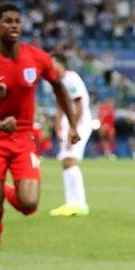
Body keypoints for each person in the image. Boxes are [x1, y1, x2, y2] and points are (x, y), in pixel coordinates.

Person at [0, 2, 79, 270]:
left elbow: (59, 88)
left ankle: (2, 187)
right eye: (7, 21)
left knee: (29, 204)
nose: (14, 25)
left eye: (18, 20)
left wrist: (73, 124)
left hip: (23, 139)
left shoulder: (37, 57)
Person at [49, 55, 93, 217]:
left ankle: (80, 204)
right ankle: (71, 203)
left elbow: (79, 104)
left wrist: (73, 128)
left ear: (62, 65)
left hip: (79, 122)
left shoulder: (71, 79)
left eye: (54, 65)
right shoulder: (57, 83)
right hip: (69, 123)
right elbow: (60, 105)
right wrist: (58, 124)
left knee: (70, 160)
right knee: (66, 161)